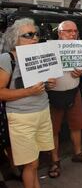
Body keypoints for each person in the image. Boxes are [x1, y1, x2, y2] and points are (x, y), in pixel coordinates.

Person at [0, 18, 56, 188]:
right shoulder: (7, 58)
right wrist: (29, 91)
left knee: (35, 162)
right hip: (21, 118)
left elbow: (41, 86)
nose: (34, 38)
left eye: (36, 34)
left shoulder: (40, 55)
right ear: (15, 39)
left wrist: (49, 85)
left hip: (43, 112)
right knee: (30, 164)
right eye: (28, 35)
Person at [47, 21, 82, 178]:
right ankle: (55, 161)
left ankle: (78, 153)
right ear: (59, 33)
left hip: (74, 92)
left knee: (77, 125)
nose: (73, 34)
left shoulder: (80, 47)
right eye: (68, 31)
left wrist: (81, 72)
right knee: (53, 129)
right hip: (53, 95)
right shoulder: (49, 49)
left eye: (74, 31)